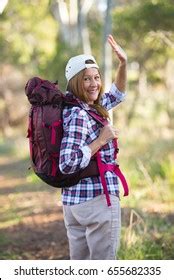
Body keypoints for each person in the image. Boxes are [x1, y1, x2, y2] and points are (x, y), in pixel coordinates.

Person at [59, 34, 127, 260]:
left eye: (96, 77)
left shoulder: (88, 107)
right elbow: (67, 163)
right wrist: (100, 140)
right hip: (95, 202)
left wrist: (123, 64)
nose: (94, 84)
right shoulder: (80, 114)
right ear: (76, 82)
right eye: (87, 79)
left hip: (74, 204)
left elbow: (117, 94)